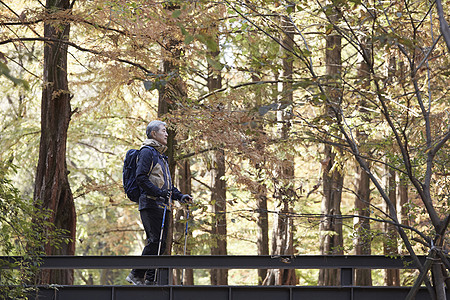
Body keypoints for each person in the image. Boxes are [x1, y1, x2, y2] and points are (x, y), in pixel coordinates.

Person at [126, 120, 192, 285]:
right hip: (150, 203)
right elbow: (140, 178)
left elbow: (167, 185)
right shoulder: (147, 152)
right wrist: (159, 193)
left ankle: (149, 279)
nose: (167, 134)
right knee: (155, 241)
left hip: (162, 204)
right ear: (153, 134)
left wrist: (180, 196)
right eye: (163, 131)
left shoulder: (161, 156)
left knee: (160, 244)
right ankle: (136, 275)